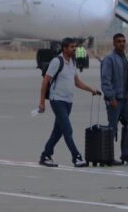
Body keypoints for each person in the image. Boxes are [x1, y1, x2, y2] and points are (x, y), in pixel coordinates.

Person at [38, 38, 101, 168]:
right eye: (72, 47)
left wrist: (91, 90)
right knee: (67, 130)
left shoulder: (72, 62)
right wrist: (42, 102)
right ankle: (76, 157)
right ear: (64, 48)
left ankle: (45, 155)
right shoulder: (57, 61)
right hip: (57, 100)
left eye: (74, 47)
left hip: (68, 102)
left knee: (58, 131)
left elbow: (77, 82)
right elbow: (45, 81)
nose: (74, 49)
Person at [100, 33, 128, 165]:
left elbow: (121, 77)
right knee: (112, 127)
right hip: (115, 99)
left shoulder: (123, 58)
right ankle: (108, 156)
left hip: (126, 97)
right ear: (114, 43)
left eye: (123, 41)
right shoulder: (109, 59)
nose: (122, 44)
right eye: (119, 41)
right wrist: (111, 97)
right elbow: (105, 81)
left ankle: (126, 154)